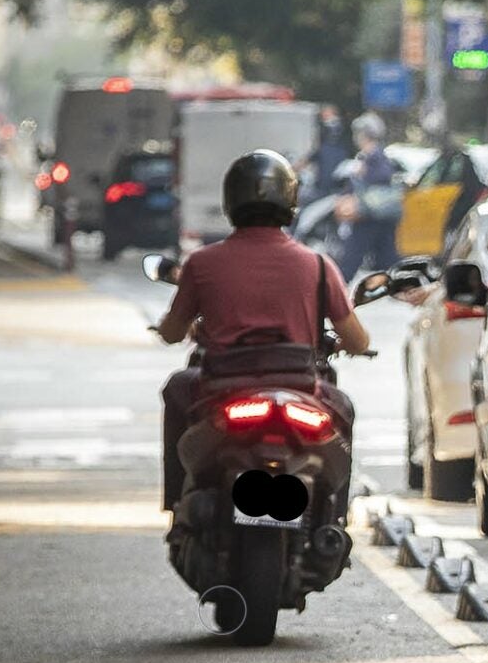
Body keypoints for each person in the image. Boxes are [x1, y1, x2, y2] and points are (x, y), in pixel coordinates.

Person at [152, 150, 372, 515]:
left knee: (177, 387)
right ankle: (335, 515)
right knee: (343, 408)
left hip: (221, 387)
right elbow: (358, 340)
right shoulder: (317, 265)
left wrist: (177, 327)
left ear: (230, 201)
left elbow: (173, 332)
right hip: (301, 387)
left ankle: (177, 499)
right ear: (290, 201)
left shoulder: (202, 263)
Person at [337, 112, 400, 279]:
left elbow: (382, 176)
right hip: (376, 214)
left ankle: (338, 290)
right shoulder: (367, 156)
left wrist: (362, 174)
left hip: (370, 213)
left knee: (353, 255)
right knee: (387, 256)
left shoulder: (375, 155)